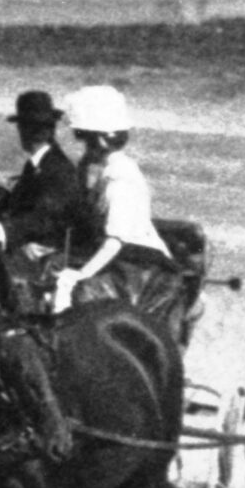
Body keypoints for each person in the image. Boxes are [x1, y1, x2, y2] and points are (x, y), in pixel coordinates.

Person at [48, 85, 185, 334]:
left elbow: (114, 242)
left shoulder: (119, 181)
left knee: (68, 288)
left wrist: (81, 274)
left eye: (84, 137)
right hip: (115, 255)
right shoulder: (98, 168)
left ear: (100, 140)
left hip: (139, 265)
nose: (82, 144)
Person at [0, 91, 83, 258]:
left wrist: (0, 232)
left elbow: (44, 218)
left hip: (47, 256)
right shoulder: (40, 165)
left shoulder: (56, 169)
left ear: (23, 130)